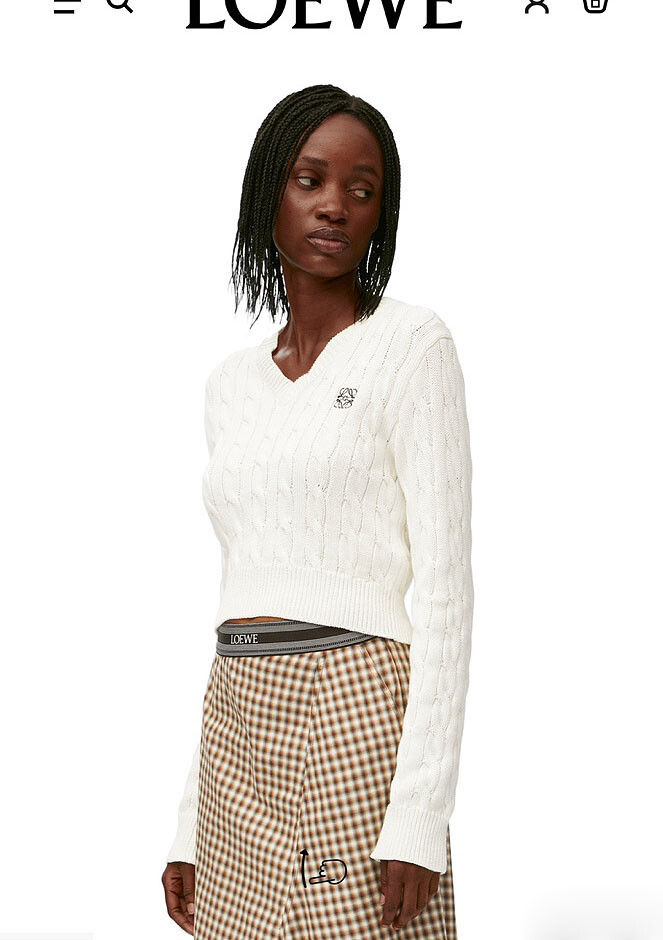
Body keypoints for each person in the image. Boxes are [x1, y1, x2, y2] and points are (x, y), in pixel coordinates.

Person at [161, 83, 474, 939]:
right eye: (309, 180)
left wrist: (419, 813)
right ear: (269, 192)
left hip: (352, 704)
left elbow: (445, 591)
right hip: (237, 715)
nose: (335, 204)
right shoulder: (230, 385)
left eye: (361, 190)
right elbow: (237, 593)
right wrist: (189, 822)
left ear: (380, 216)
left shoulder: (411, 346)